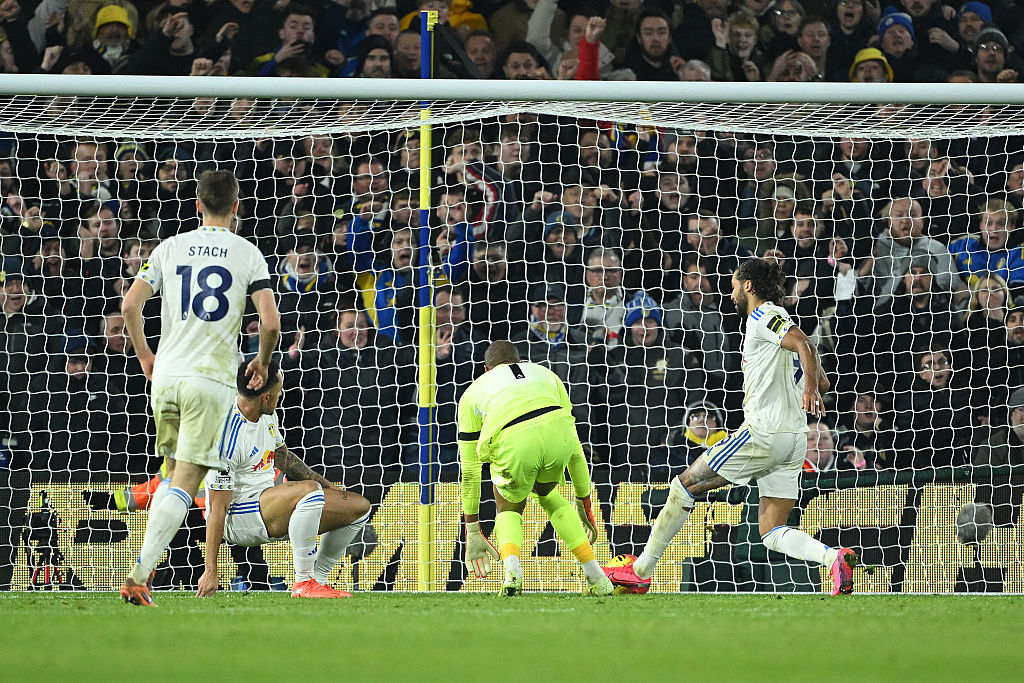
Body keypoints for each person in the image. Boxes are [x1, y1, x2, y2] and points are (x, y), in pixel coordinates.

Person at [603, 258, 859, 596]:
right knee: (771, 531)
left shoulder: (764, 315)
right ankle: (833, 558)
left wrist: (807, 388)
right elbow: (823, 378)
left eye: (736, 285)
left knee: (685, 484)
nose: (731, 292)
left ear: (749, 286)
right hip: (794, 439)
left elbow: (804, 345)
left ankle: (640, 571)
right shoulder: (779, 326)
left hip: (763, 432)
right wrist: (806, 383)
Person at [118, 170, 280, 606]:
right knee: (186, 482)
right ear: (236, 207)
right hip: (208, 381)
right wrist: (262, 362)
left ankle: (141, 568)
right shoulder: (248, 254)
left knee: (172, 476)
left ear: (196, 205)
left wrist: (146, 358)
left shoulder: (169, 248)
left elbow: (130, 305)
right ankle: (138, 575)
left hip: (166, 376)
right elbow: (270, 323)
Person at [199, 361, 372, 599]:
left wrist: (329, 488)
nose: (281, 397)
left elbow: (282, 456)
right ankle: (304, 582)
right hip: (237, 519)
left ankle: (317, 580)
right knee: (309, 490)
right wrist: (211, 570)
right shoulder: (226, 437)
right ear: (266, 397)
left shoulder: (266, 416)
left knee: (359, 507)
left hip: (268, 503)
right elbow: (217, 508)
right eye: (279, 392)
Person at [457, 341, 613, 597]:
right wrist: (585, 502)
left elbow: (471, 470)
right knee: (549, 494)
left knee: (507, 503)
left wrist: (473, 530)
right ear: (520, 361)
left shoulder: (472, 393)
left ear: (486, 369)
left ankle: (512, 572)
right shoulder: (547, 374)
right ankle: (597, 576)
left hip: (514, 438)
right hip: (557, 433)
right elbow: (575, 449)